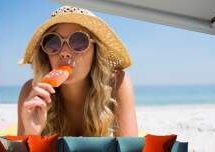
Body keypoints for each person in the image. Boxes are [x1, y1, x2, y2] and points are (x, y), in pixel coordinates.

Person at [17, 5, 137, 137]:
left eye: (78, 41)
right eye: (53, 43)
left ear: (95, 50)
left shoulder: (117, 84)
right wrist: (31, 133)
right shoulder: (32, 93)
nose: (64, 52)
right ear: (45, 53)